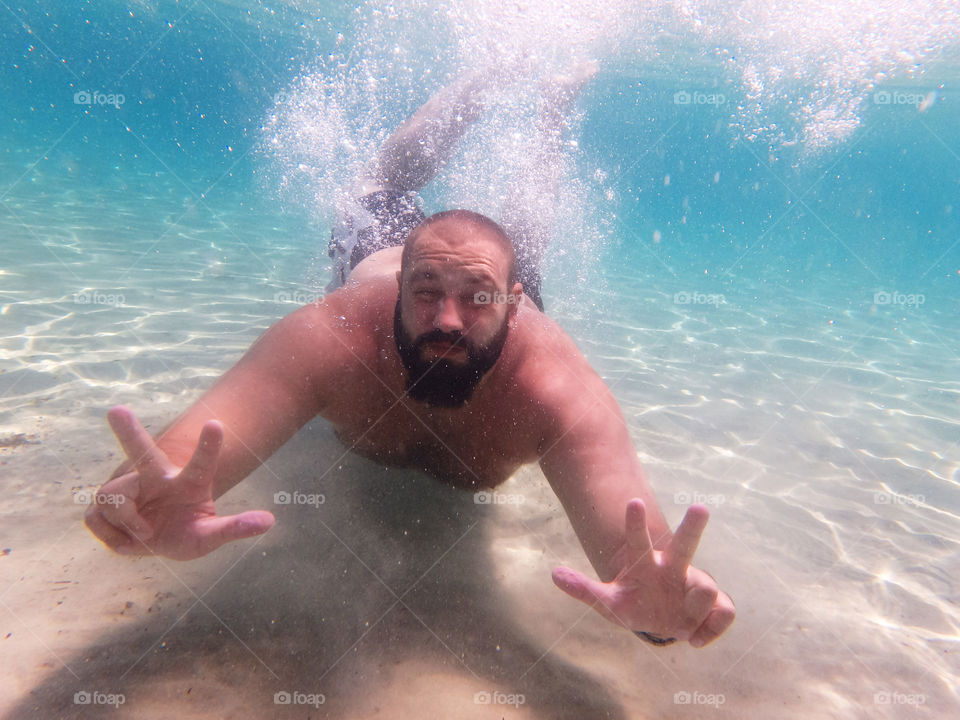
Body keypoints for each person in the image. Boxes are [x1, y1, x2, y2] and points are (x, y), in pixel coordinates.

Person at [85, 67, 735, 649]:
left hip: (485, 284)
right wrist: (138, 509)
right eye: (425, 293)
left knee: (527, 228)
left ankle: (555, 107)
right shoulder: (331, 338)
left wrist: (658, 615)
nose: (447, 320)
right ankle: (482, 78)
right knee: (382, 181)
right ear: (399, 286)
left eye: (478, 299)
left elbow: (637, 560)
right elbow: (179, 461)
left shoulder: (554, 388)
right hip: (382, 253)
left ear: (514, 303)